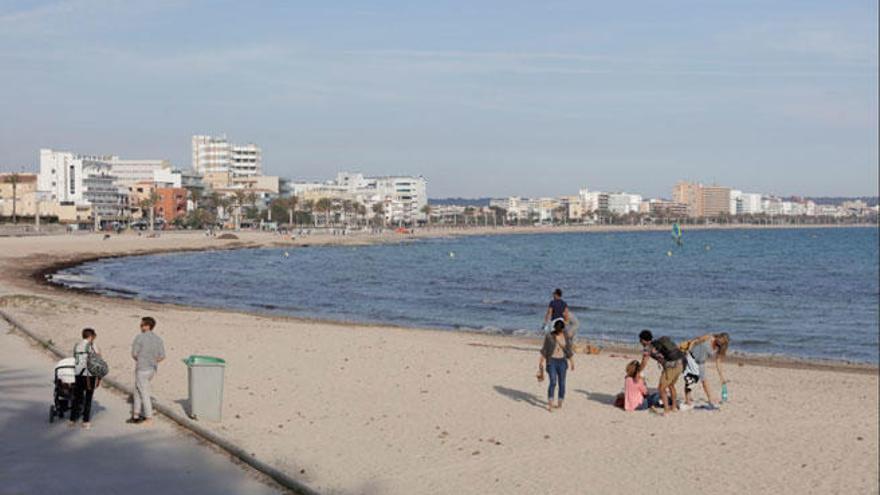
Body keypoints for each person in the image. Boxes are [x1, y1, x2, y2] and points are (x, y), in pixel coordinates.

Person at [128, 316, 165, 425]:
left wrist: (141, 360)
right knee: (137, 390)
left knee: (143, 392)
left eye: (142, 325)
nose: (140, 326)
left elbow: (134, 354)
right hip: (152, 368)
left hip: (142, 368)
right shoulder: (158, 339)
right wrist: (152, 361)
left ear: (147, 326)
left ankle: (149, 417)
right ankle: (136, 414)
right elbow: (162, 356)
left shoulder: (139, 337)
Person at [638, 330, 684, 416]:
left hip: (671, 367)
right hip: (680, 363)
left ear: (643, 340)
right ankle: (673, 407)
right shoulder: (657, 343)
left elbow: (644, 362)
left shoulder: (648, 348)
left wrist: (638, 371)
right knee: (671, 385)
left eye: (640, 340)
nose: (640, 342)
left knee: (661, 388)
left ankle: (666, 410)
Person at [681, 333, 730, 407]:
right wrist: (689, 350)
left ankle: (710, 399)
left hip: (701, 363)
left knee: (704, 381)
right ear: (719, 336)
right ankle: (687, 400)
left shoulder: (719, 348)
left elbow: (718, 362)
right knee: (690, 380)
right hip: (691, 358)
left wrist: (721, 376)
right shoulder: (709, 337)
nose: (719, 341)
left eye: (721, 342)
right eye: (720, 339)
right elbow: (696, 340)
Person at [538, 320, 574, 412]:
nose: (558, 331)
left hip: (562, 361)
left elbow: (568, 350)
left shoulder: (566, 336)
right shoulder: (549, 336)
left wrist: (572, 361)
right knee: (553, 382)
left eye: (560, 329)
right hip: (552, 361)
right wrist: (541, 361)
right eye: (557, 329)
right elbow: (545, 349)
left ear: (562, 329)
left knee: (562, 383)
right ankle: (550, 404)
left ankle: (559, 402)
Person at [70, 328, 101, 429]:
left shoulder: (77, 345)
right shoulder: (93, 346)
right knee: (88, 398)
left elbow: (75, 358)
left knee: (77, 397)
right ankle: (86, 421)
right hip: (89, 376)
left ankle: (72, 419)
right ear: (91, 336)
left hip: (78, 374)